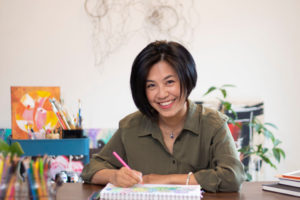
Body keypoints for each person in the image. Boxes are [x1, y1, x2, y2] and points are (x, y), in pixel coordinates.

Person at [81, 41, 245, 192]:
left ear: (186, 79)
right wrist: (114, 176)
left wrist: (161, 179)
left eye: (169, 82)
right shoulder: (131, 126)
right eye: (151, 85)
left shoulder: (213, 124)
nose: (162, 94)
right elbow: (91, 169)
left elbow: (233, 176)